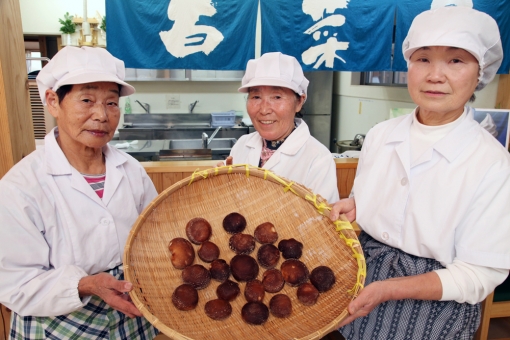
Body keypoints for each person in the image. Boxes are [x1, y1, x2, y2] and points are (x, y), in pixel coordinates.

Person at [330, 6, 510, 339]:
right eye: (423, 59)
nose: (435, 75)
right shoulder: (381, 135)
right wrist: (358, 207)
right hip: (362, 280)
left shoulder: (492, 163)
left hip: (437, 308)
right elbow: (381, 202)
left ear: (480, 72)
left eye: (456, 61)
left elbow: (480, 272)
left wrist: (389, 289)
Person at [0, 46, 159, 339]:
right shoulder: (20, 187)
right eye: (87, 100)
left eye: (111, 103)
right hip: (57, 323)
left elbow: (155, 236)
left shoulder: (131, 170)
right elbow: (16, 284)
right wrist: (85, 284)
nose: (101, 115)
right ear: (52, 101)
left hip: (129, 309)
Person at [222, 52, 339, 203]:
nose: (264, 110)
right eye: (256, 97)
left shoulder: (318, 159)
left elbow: (322, 222)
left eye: (276, 97)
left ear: (299, 102)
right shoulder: (242, 145)